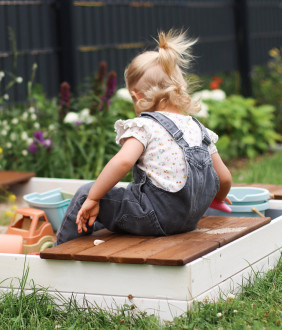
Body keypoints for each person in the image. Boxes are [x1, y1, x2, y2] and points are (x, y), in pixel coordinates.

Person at [55, 29, 232, 245]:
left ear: (136, 96)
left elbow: (123, 161)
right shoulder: (198, 129)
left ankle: (57, 252)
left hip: (153, 217)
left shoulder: (145, 125)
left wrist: (93, 197)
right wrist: (218, 198)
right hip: (188, 221)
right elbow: (224, 178)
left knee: (87, 194)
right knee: (113, 203)